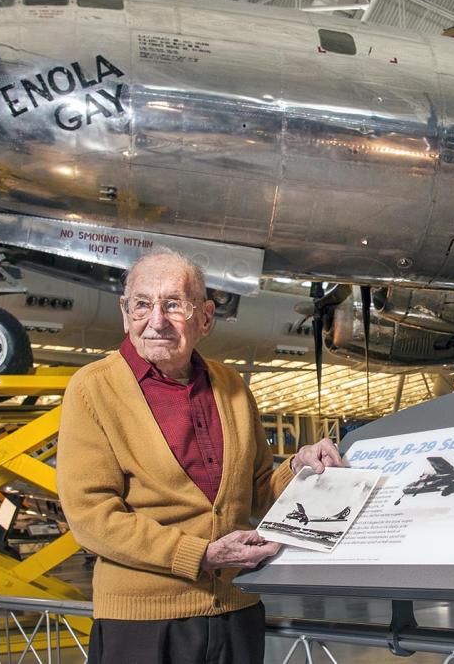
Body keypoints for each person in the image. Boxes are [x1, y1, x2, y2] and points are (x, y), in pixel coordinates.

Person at [57, 248, 343, 664]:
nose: (156, 321)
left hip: (235, 612)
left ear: (205, 317)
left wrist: (299, 467)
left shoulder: (230, 385)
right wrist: (201, 556)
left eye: (174, 305)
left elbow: (259, 491)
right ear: (125, 312)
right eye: (142, 305)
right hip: (143, 625)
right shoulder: (92, 389)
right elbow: (92, 517)